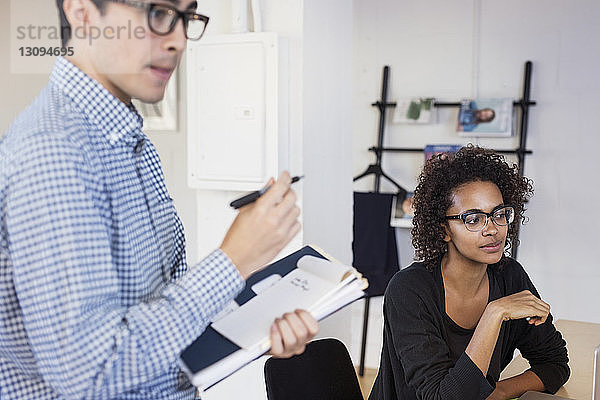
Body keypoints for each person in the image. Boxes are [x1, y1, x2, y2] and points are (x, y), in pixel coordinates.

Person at [0, 0, 318, 398]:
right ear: (81, 12)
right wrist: (234, 260)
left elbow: (152, 313)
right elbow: (92, 374)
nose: (180, 40)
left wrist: (254, 324)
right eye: (159, 13)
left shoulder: (128, 142)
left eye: (187, 18)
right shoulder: (55, 152)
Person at [369, 145, 569, 400]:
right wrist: (495, 313)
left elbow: (554, 364)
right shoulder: (408, 289)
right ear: (443, 230)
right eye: (473, 219)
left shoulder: (509, 276)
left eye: (499, 214)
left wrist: (497, 392)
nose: (493, 229)